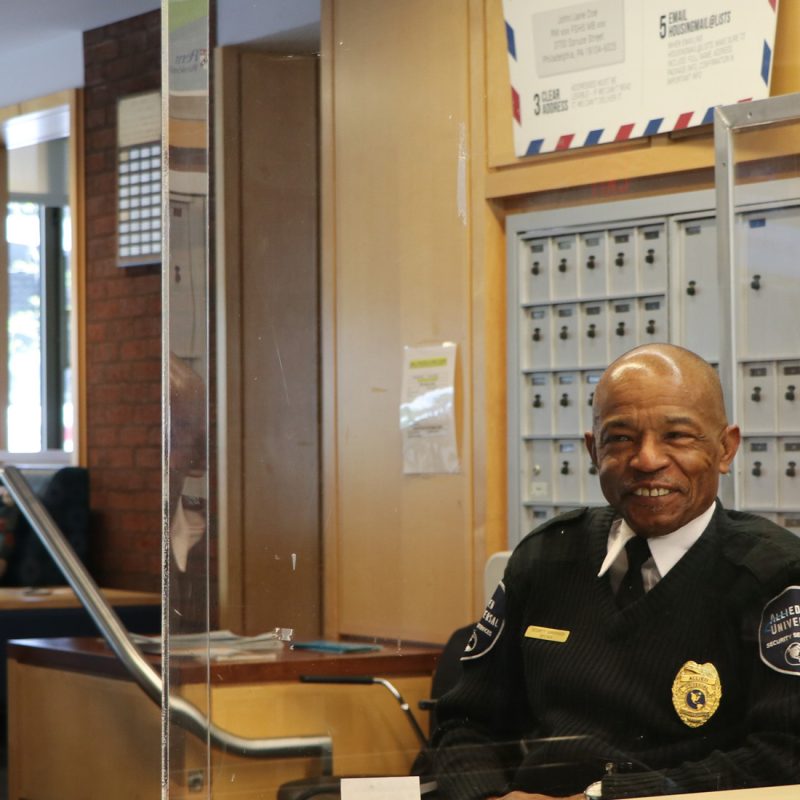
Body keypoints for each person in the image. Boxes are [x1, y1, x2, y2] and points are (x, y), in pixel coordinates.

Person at [432, 344, 800, 800]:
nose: (647, 460)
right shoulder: (545, 558)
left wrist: (600, 798)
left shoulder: (775, 576)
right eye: (620, 438)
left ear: (725, 449)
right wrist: (486, 795)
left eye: (678, 436)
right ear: (592, 450)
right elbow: (464, 721)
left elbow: (785, 756)